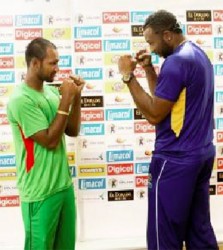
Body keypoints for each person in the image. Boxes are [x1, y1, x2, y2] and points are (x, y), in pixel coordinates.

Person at [118, 10, 218, 250]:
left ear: (167, 35)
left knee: (164, 237)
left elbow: (154, 114)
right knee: (199, 232)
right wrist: (149, 70)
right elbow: (165, 99)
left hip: (175, 159)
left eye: (152, 42)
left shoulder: (176, 62)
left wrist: (128, 76)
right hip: (200, 154)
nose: (151, 49)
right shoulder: (196, 53)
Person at [7, 37, 85, 250]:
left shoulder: (50, 92)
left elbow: (72, 130)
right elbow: (49, 140)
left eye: (58, 62)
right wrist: (66, 100)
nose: (57, 69)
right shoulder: (20, 99)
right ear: (34, 63)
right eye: (52, 63)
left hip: (63, 186)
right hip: (39, 192)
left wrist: (76, 98)